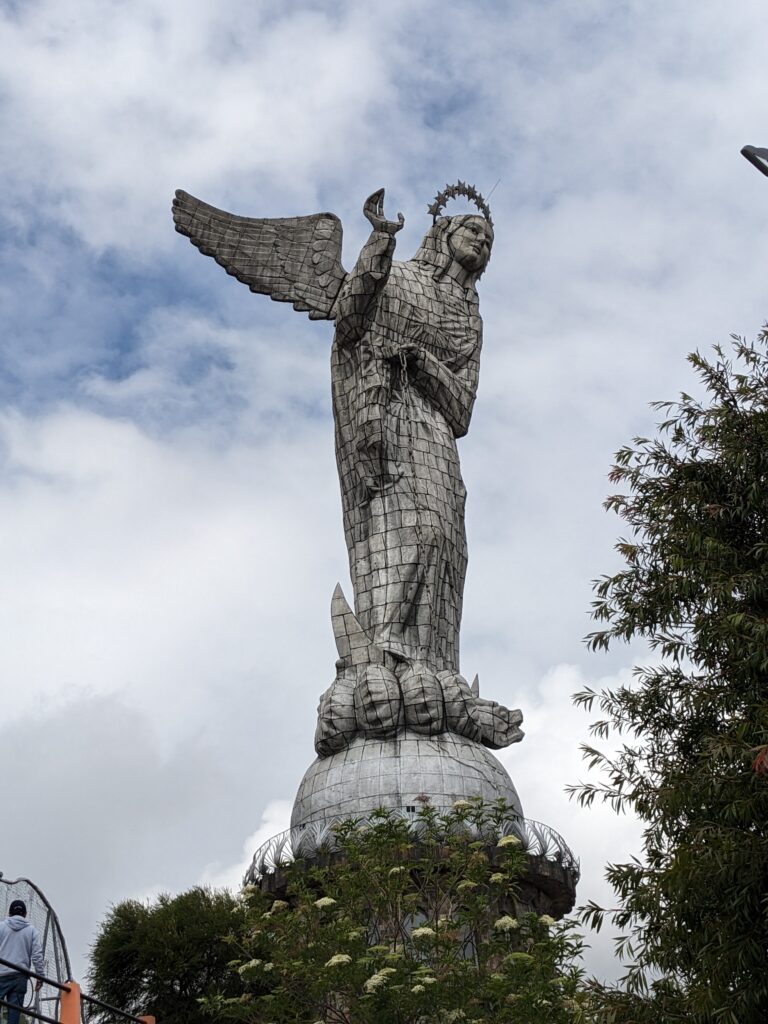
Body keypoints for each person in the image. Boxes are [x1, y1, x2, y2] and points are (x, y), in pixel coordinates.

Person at [0, 901, 43, 1024]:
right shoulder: (32, 931)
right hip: (20, 976)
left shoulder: (1, 926)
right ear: (25, 914)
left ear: (9, 913)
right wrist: (40, 976)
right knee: (13, 1017)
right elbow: (37, 955)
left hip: (1, 974)